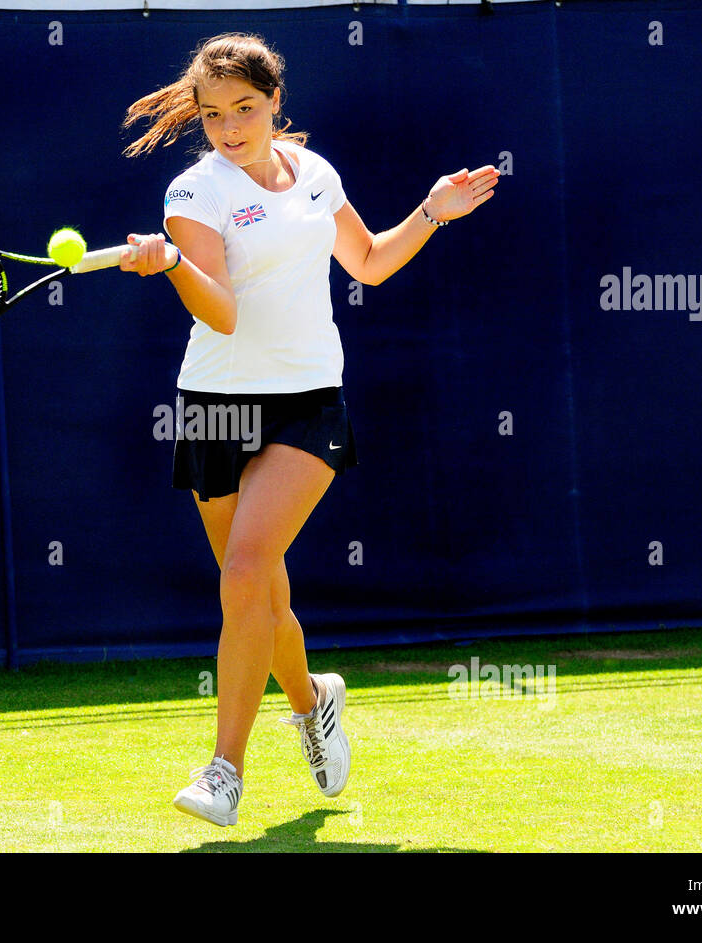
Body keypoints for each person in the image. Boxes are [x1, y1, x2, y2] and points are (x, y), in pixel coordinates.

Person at [118, 32, 498, 827]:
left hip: (308, 396)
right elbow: (220, 312)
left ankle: (225, 770)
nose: (229, 128)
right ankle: (313, 696)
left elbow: (367, 261)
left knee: (248, 568)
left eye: (245, 110)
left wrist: (433, 210)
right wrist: (177, 266)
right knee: (259, 594)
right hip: (218, 401)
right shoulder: (194, 193)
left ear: (274, 102)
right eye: (214, 114)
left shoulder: (315, 174)